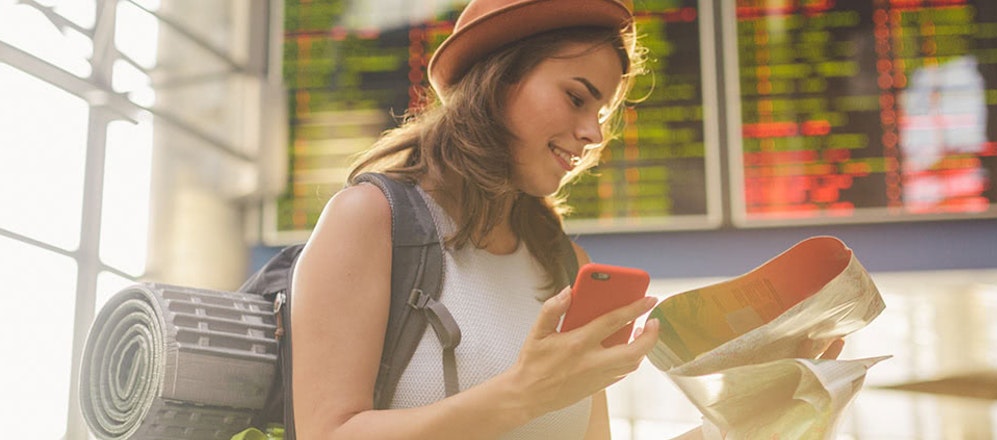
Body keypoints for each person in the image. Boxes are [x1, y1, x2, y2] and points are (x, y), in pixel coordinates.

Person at [289, 0, 842, 438]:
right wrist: (526, 394)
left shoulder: (562, 263)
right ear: (498, 80)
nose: (595, 134)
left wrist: (742, 421)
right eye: (577, 98)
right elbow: (328, 432)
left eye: (600, 114)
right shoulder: (371, 219)